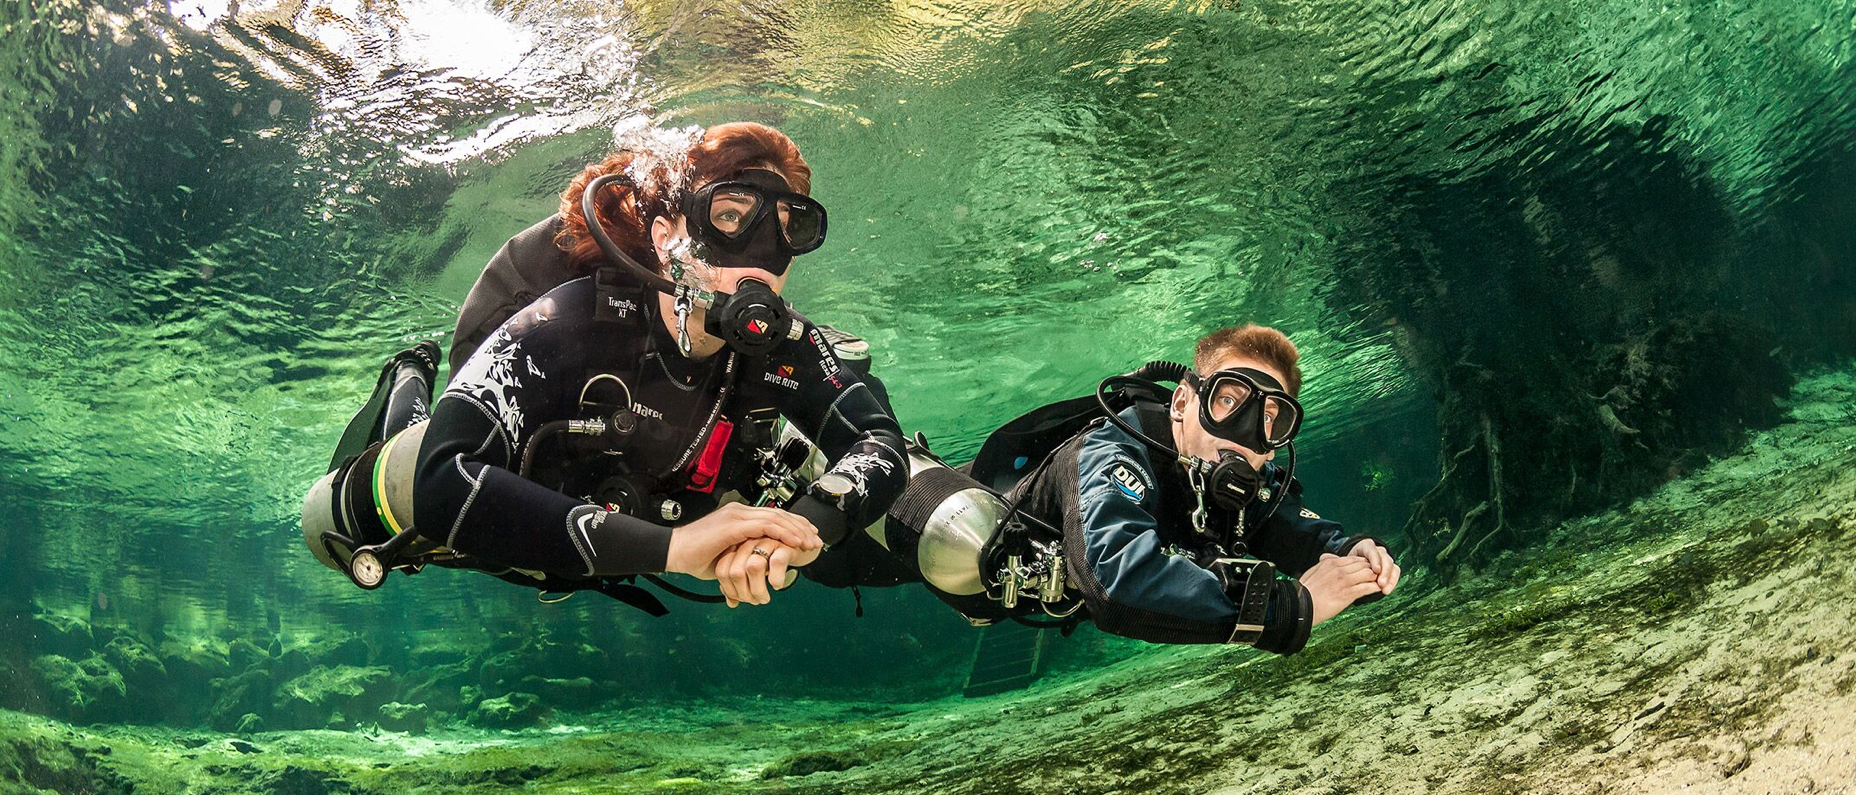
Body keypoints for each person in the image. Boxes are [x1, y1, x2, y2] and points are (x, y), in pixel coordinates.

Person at [303, 123, 908, 610]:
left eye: (788, 228)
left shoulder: (782, 343)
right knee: (370, 490)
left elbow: (877, 438)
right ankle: (410, 372)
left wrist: (800, 529)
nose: (766, 258)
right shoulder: (575, 320)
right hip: (514, 497)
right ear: (669, 237)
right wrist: (677, 549)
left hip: (634, 515)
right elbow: (442, 482)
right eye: (729, 215)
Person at [803, 324, 1400, 654]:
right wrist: (1288, 609)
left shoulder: (1246, 479)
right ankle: (837, 390)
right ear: (1185, 400)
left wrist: (1352, 554)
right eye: (1229, 402)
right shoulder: (1112, 450)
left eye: (1272, 419)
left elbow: (1291, 528)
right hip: (958, 543)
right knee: (826, 557)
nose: (1247, 437)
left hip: (1022, 594)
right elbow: (1119, 580)